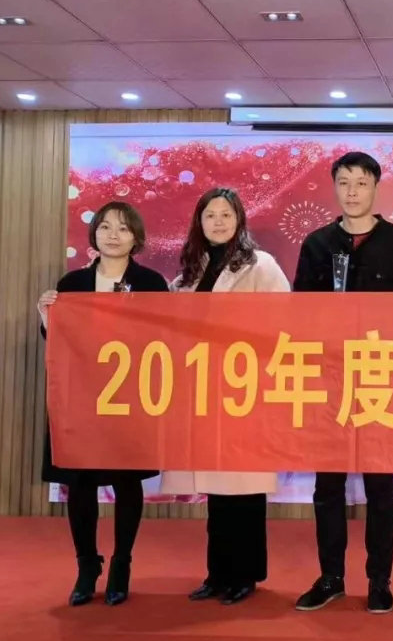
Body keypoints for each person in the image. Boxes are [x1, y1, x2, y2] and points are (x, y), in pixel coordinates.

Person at [292, 151, 393, 614]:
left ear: (375, 188)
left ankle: (379, 580)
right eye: (344, 182)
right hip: (329, 381)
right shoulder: (317, 244)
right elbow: (299, 313)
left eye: (361, 183)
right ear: (335, 188)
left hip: (378, 379)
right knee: (326, 485)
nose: (352, 192)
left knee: (379, 485)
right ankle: (330, 577)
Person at [159, 187, 290, 605]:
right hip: (202, 390)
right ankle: (217, 572)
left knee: (244, 487)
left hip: (244, 389)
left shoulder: (261, 265)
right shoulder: (188, 273)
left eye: (226, 215)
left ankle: (245, 574)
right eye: (210, 215)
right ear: (199, 222)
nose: (218, 222)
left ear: (239, 221)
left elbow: (285, 322)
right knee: (215, 489)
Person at [37, 201, 168, 607]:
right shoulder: (73, 283)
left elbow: (165, 339)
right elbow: (58, 342)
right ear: (94, 234)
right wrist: (46, 318)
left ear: (136, 237)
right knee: (79, 484)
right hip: (81, 399)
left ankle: (121, 564)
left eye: (123, 228)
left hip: (130, 399)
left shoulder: (151, 283)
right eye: (106, 226)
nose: (113, 235)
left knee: (127, 482)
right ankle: (86, 565)